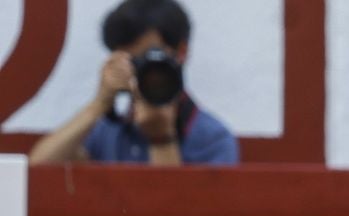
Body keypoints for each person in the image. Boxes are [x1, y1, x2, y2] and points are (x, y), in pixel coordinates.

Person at [27, 0, 238, 168]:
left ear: (180, 52)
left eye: (150, 58)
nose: (143, 70)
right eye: (131, 61)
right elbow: (38, 170)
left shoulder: (213, 140)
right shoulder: (110, 130)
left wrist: (162, 139)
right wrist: (99, 104)